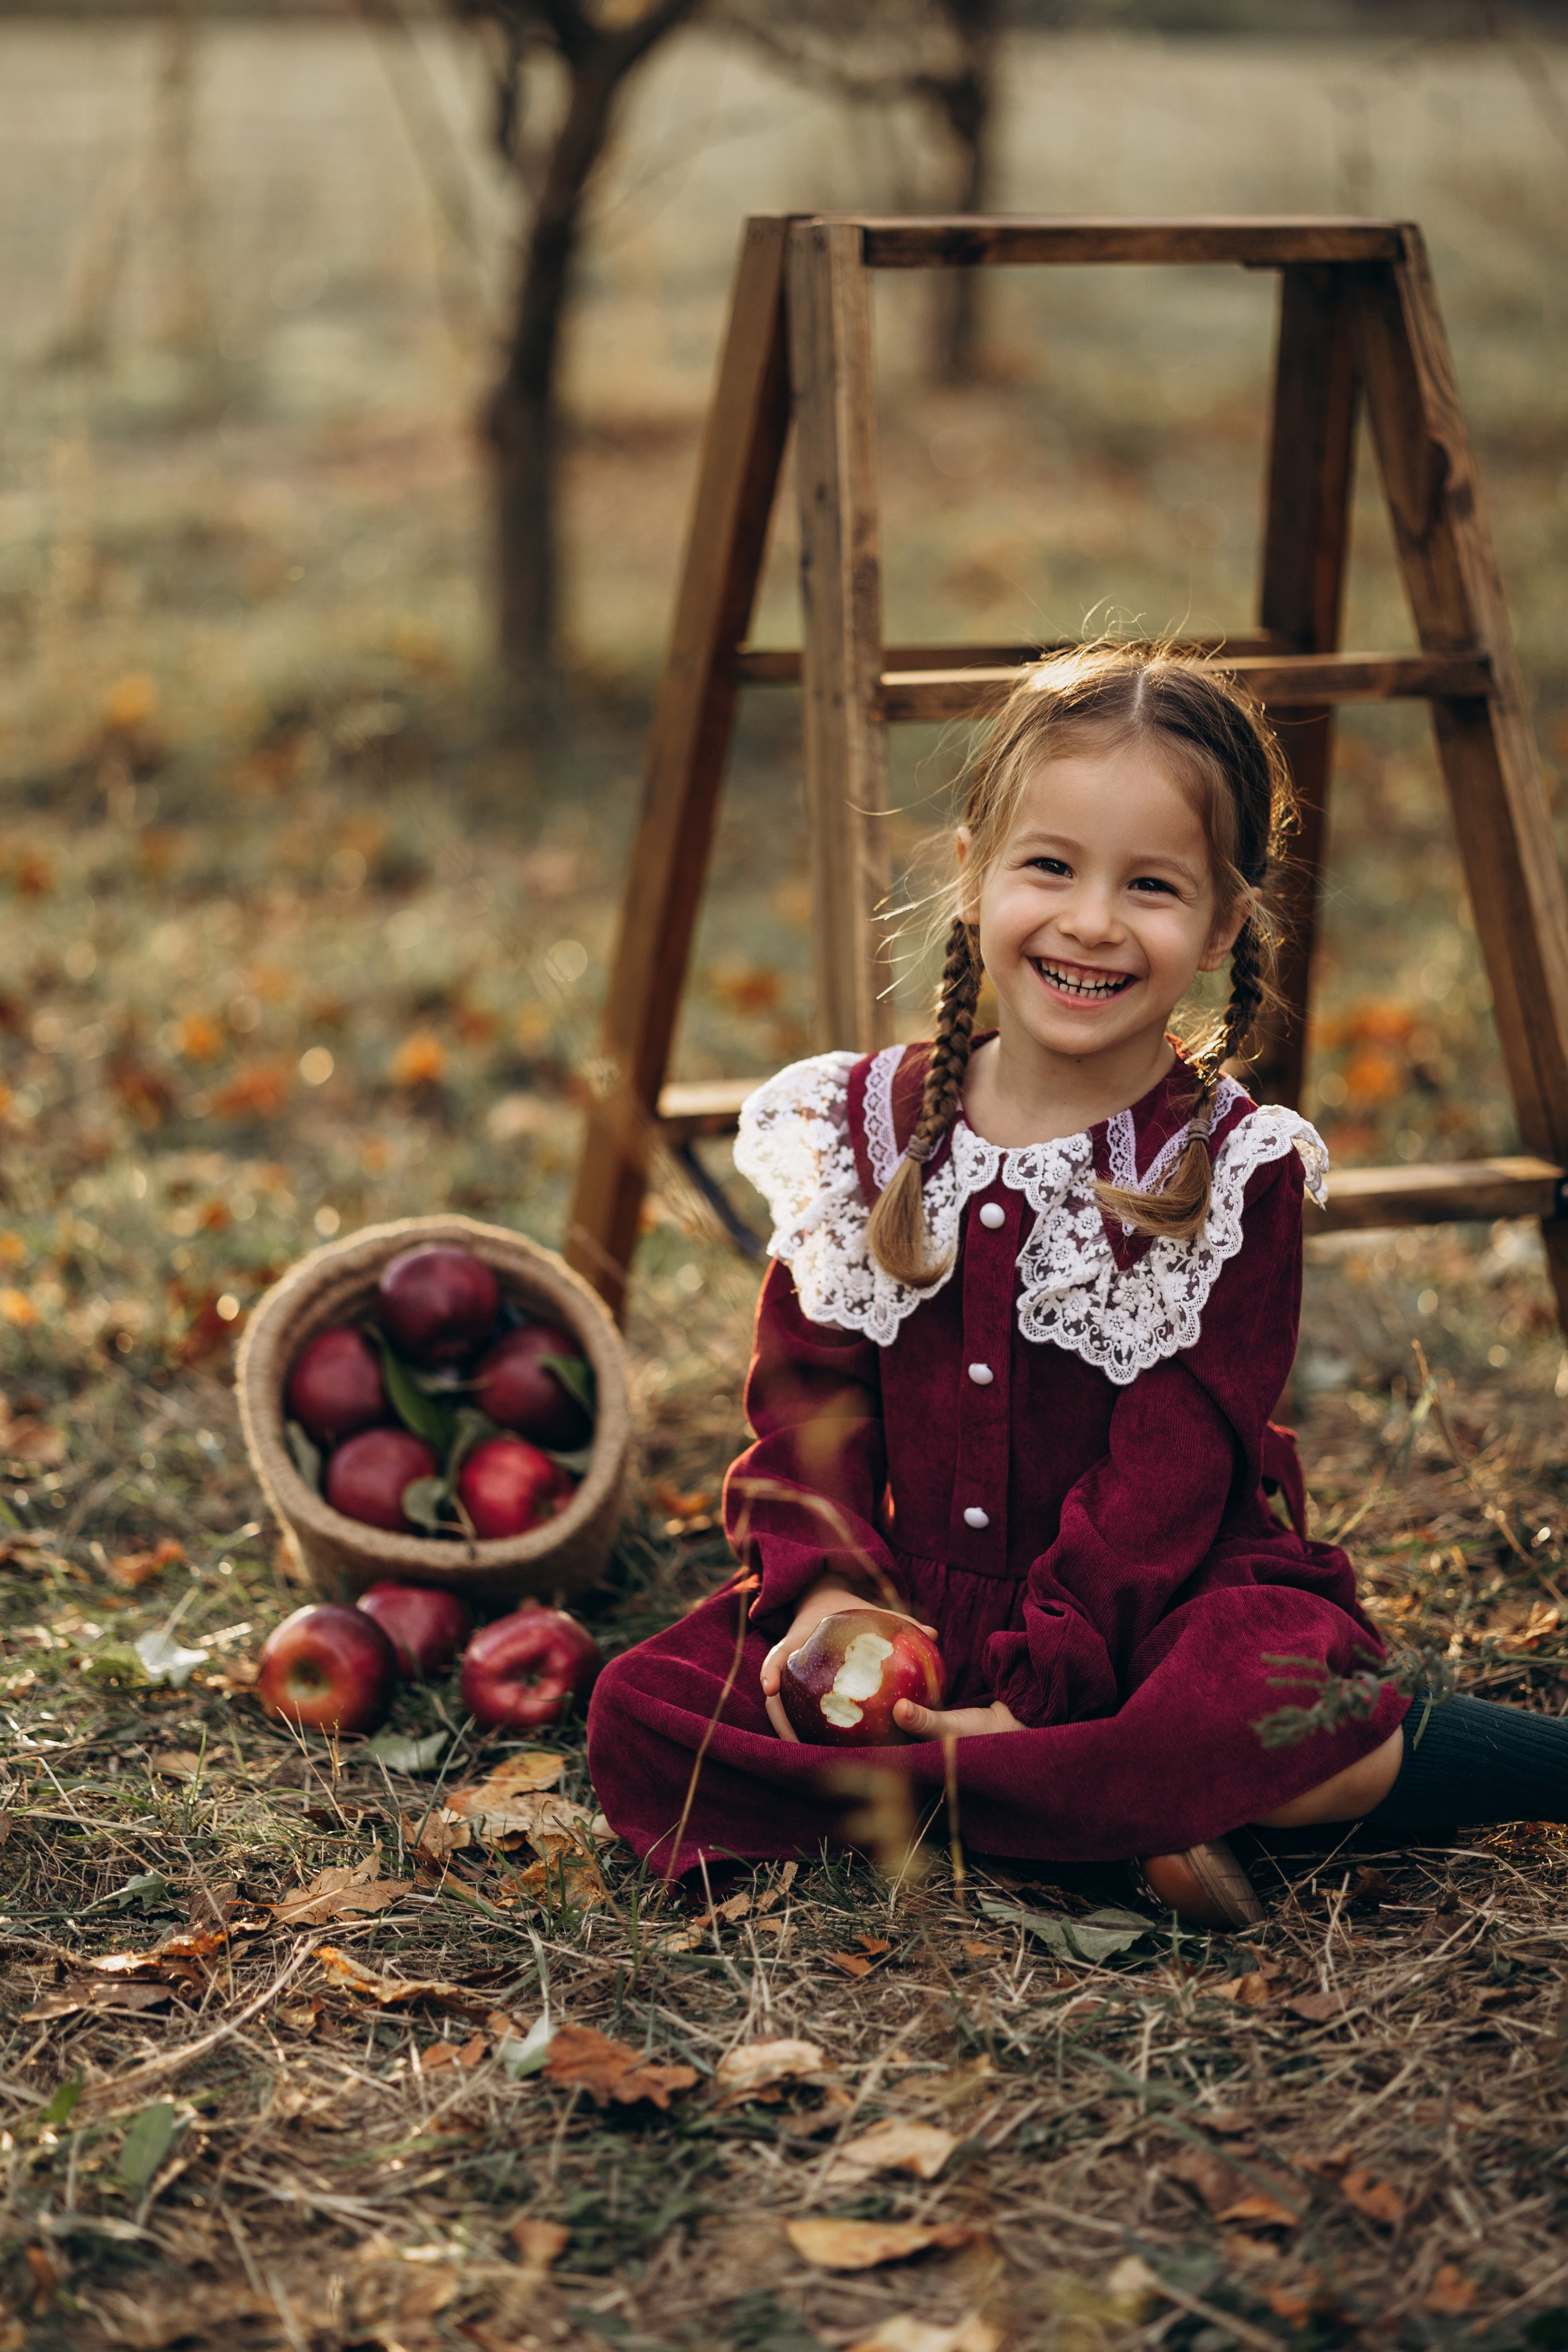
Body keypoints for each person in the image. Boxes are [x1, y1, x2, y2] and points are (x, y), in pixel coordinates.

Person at [586, 641, 1568, 1925]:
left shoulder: (1227, 1166)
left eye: (1150, 885)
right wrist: (826, 1588)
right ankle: (1098, 1819)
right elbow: (804, 1403)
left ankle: (1079, 1787)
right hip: (908, 1598)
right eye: (1048, 865)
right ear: (970, 872)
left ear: (1222, 926)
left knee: (1268, 1705)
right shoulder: (860, 1127)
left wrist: (1049, 1676)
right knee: (639, 1711)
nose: (1092, 920)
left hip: (1149, 1607)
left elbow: (1177, 1468)